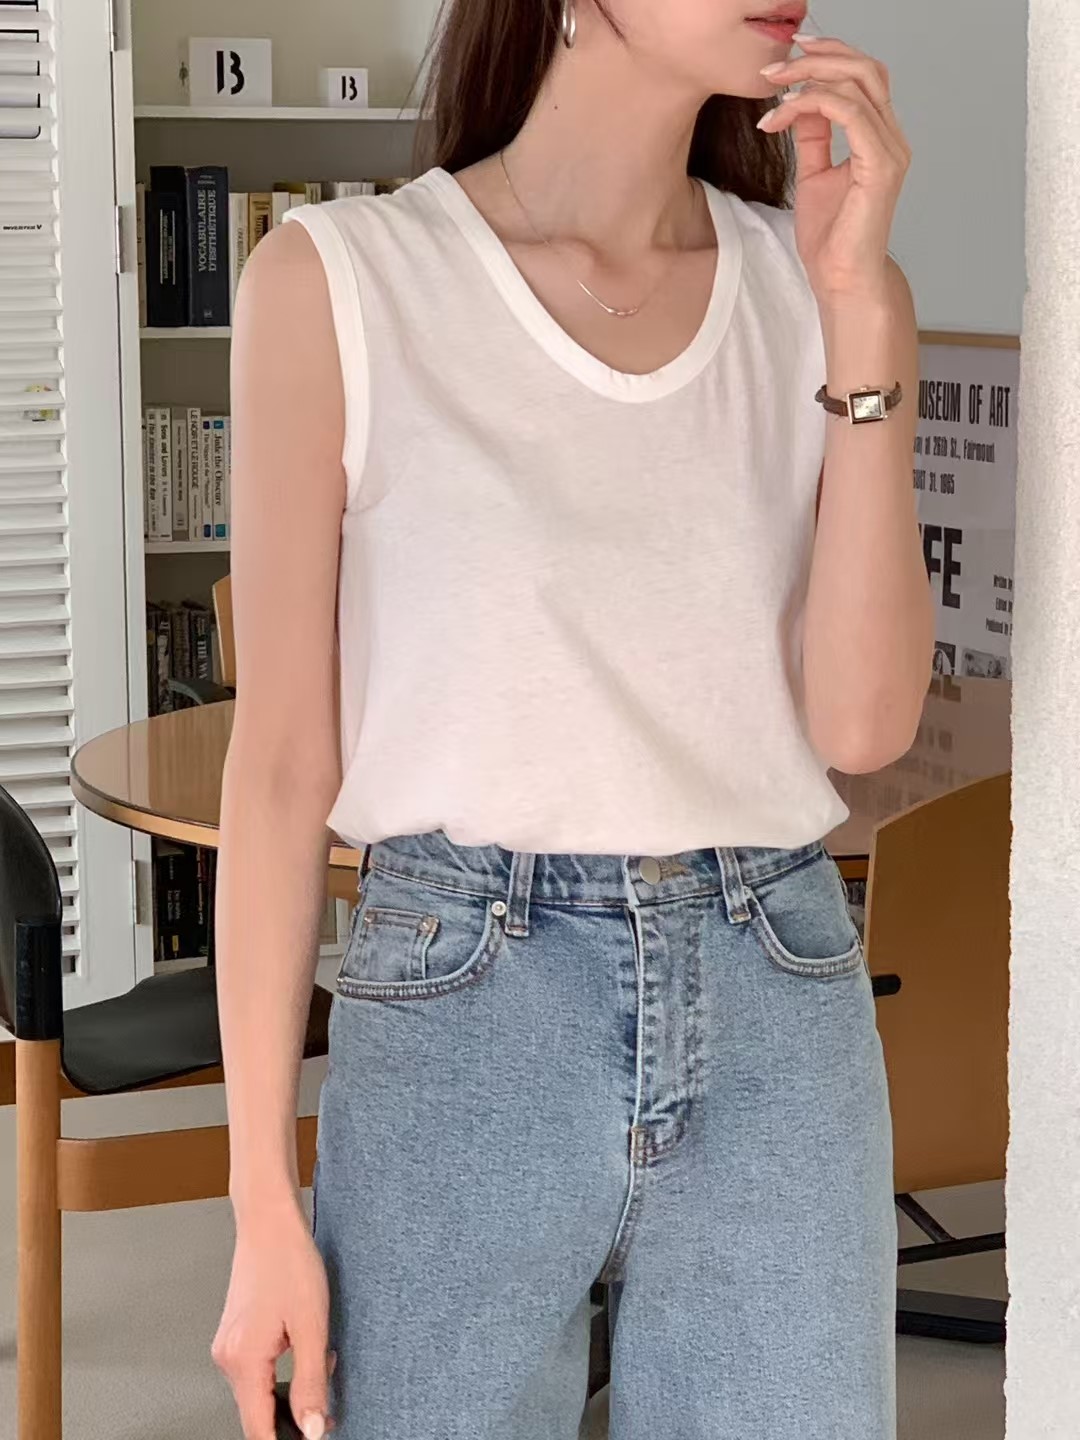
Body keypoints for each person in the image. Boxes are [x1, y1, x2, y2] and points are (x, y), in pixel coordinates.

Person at [211, 2, 933, 1437]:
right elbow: (282, 766)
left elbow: (862, 727)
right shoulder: (343, 281)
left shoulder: (818, 290)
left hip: (777, 991)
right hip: (463, 1004)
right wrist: (259, 1201)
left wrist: (859, 311)